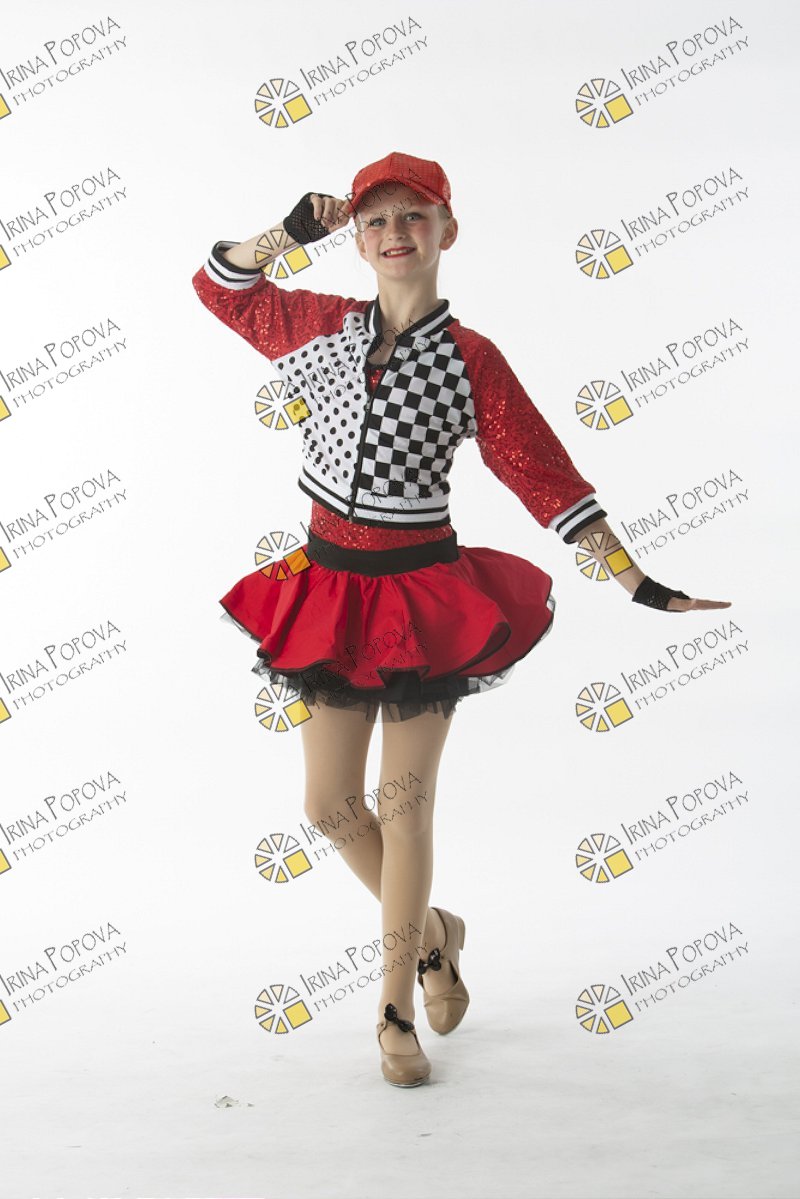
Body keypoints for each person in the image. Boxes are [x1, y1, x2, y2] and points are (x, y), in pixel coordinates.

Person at [192, 151, 731, 1087]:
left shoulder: (472, 359)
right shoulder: (317, 326)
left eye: (415, 215)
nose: (395, 233)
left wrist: (638, 581)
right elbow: (220, 286)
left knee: (404, 806)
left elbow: (544, 475)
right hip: (327, 591)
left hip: (420, 600)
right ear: (357, 240)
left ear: (449, 230)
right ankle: (437, 934)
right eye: (376, 219)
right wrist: (289, 231)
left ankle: (394, 1006)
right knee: (328, 806)